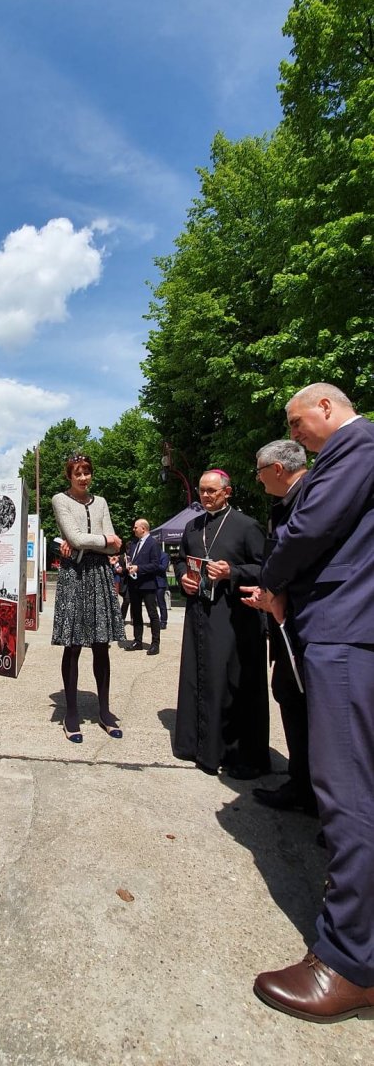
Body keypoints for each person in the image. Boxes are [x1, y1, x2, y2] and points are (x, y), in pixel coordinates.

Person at [243, 384, 374, 1022]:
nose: (297, 437)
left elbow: (306, 530)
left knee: (346, 794)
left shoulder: (354, 448)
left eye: (298, 422)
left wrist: (271, 583)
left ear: (327, 408)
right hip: (351, 629)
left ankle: (351, 961)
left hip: (343, 634)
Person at [173, 470, 269, 778]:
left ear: (227, 493)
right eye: (201, 490)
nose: (205, 496)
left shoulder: (246, 525)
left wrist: (233, 572)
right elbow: (179, 560)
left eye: (212, 491)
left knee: (227, 683)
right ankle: (196, 746)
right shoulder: (192, 526)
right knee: (198, 677)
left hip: (233, 617)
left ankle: (234, 754)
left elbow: (265, 568)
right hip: (198, 613)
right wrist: (182, 578)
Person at [244, 439, 316, 816]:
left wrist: (273, 591)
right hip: (286, 622)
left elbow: (301, 552)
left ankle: (322, 799)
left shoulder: (313, 495)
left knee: (316, 710)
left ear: (276, 470)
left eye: (258, 472)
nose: (257, 481)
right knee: (289, 695)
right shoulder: (284, 501)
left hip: (309, 622)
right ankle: (301, 784)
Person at [52, 453, 124, 743]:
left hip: (99, 576)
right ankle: (71, 713)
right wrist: (104, 542)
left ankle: (104, 711)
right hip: (75, 576)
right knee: (73, 646)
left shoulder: (102, 502)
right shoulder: (61, 500)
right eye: (77, 473)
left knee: (101, 644)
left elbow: (108, 542)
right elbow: (79, 538)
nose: (83, 478)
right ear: (69, 476)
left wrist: (95, 542)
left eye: (87, 472)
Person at [124, 519, 163, 655]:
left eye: (135, 527)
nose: (133, 529)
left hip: (147, 584)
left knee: (152, 614)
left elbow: (155, 564)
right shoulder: (134, 544)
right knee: (136, 613)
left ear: (143, 529)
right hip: (134, 584)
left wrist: (139, 568)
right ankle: (137, 641)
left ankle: (155, 643)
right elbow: (131, 560)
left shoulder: (153, 543)